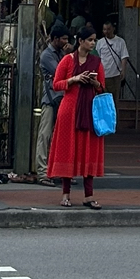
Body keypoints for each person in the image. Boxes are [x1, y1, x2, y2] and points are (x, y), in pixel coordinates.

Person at [47, 25, 105, 208]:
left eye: (94, 40)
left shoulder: (96, 61)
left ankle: (89, 195)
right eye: (90, 40)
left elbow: (102, 87)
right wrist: (74, 79)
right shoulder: (67, 60)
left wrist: (93, 81)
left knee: (88, 149)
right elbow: (56, 84)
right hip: (69, 110)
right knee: (68, 150)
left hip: (89, 110)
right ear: (80, 41)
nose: (92, 43)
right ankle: (66, 194)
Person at [35, 23, 69, 183]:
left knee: (60, 136)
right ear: (55, 39)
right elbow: (61, 73)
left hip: (62, 98)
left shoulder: (61, 53)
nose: (66, 41)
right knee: (45, 135)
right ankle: (42, 172)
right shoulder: (47, 55)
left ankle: (59, 170)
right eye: (63, 39)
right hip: (50, 99)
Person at [97, 19, 131, 102]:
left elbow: (124, 57)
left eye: (108, 29)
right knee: (103, 99)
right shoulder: (100, 42)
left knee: (114, 100)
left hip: (115, 75)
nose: (106, 31)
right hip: (103, 75)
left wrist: (123, 71)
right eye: (104, 29)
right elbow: (97, 57)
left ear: (113, 29)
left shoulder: (120, 41)